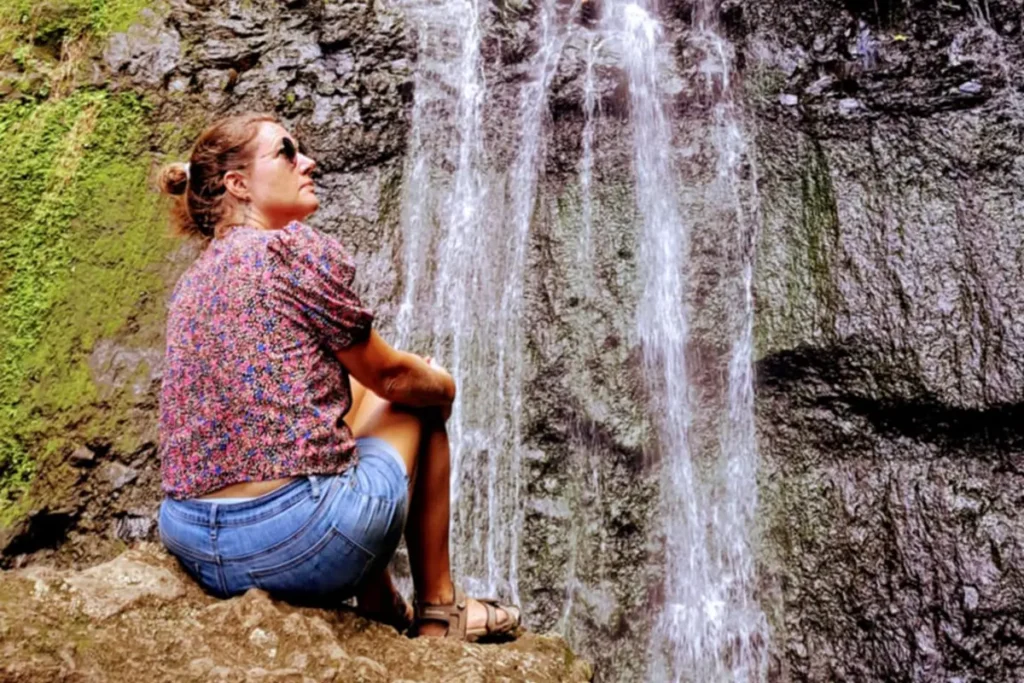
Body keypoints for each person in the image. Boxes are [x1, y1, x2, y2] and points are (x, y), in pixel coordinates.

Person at [156, 113, 520, 641]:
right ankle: (442, 611)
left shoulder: (193, 281)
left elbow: (349, 386)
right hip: (297, 543)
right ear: (237, 184)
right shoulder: (290, 249)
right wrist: (444, 385)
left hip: (194, 544)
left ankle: (379, 597)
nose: (308, 162)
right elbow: (393, 377)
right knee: (416, 394)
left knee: (344, 386)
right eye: (286, 152)